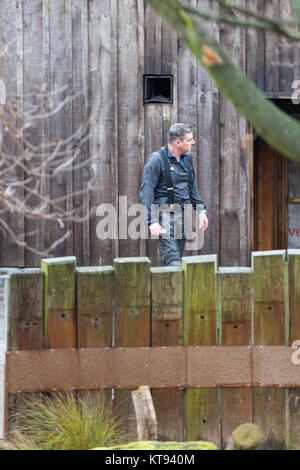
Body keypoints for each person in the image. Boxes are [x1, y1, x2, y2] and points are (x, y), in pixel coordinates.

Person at [140, 123, 208, 266]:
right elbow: (147, 192)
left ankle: (167, 287)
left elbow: (192, 186)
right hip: (163, 216)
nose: (193, 142)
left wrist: (201, 210)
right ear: (178, 143)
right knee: (174, 262)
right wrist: (152, 221)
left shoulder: (187, 158)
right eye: (189, 140)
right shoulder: (156, 160)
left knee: (174, 261)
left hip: (182, 216)